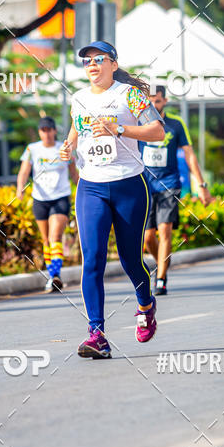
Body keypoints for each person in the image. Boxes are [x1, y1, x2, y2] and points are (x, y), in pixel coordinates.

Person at [60, 40, 165, 359]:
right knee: (92, 260)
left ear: (114, 65)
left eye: (99, 59)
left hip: (129, 185)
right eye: (87, 61)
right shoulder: (77, 98)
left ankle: (146, 305)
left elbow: (157, 132)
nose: (92, 65)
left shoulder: (130, 94)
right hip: (91, 187)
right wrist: (67, 147)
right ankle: (96, 334)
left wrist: (118, 129)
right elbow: (77, 131)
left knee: (131, 260)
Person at [139, 85, 213, 295]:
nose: (154, 105)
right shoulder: (138, 123)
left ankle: (161, 278)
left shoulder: (176, 124)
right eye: (150, 100)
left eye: (158, 101)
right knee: (147, 238)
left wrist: (201, 185)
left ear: (165, 101)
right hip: (145, 184)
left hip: (169, 183)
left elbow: (189, 154)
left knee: (165, 230)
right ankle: (162, 261)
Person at [17, 116, 78, 292]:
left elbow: (74, 173)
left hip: (60, 197)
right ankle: (52, 275)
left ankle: (56, 274)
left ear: (54, 131)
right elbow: (24, 171)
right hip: (40, 198)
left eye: (49, 130)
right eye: (43, 131)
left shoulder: (63, 148)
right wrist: (20, 187)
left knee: (55, 236)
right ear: (39, 132)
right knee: (45, 239)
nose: (47, 134)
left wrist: (83, 188)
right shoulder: (32, 149)